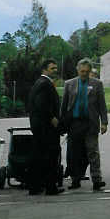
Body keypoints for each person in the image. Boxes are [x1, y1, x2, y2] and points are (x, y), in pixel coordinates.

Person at [61, 58, 108, 191]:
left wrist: (104, 122)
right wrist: (61, 124)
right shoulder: (69, 84)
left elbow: (102, 105)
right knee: (74, 153)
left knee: (93, 152)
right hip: (74, 124)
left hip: (90, 123)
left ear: (90, 71)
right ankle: (75, 179)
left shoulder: (97, 84)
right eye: (82, 71)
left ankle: (97, 180)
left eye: (87, 72)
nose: (84, 74)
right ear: (77, 70)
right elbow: (64, 106)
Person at [27, 59, 64, 196]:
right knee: (50, 157)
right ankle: (50, 187)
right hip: (46, 128)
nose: (55, 70)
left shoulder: (40, 83)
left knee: (39, 157)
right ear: (44, 69)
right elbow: (41, 104)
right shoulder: (44, 84)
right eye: (52, 68)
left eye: (56, 68)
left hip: (40, 127)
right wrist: (52, 118)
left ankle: (35, 186)